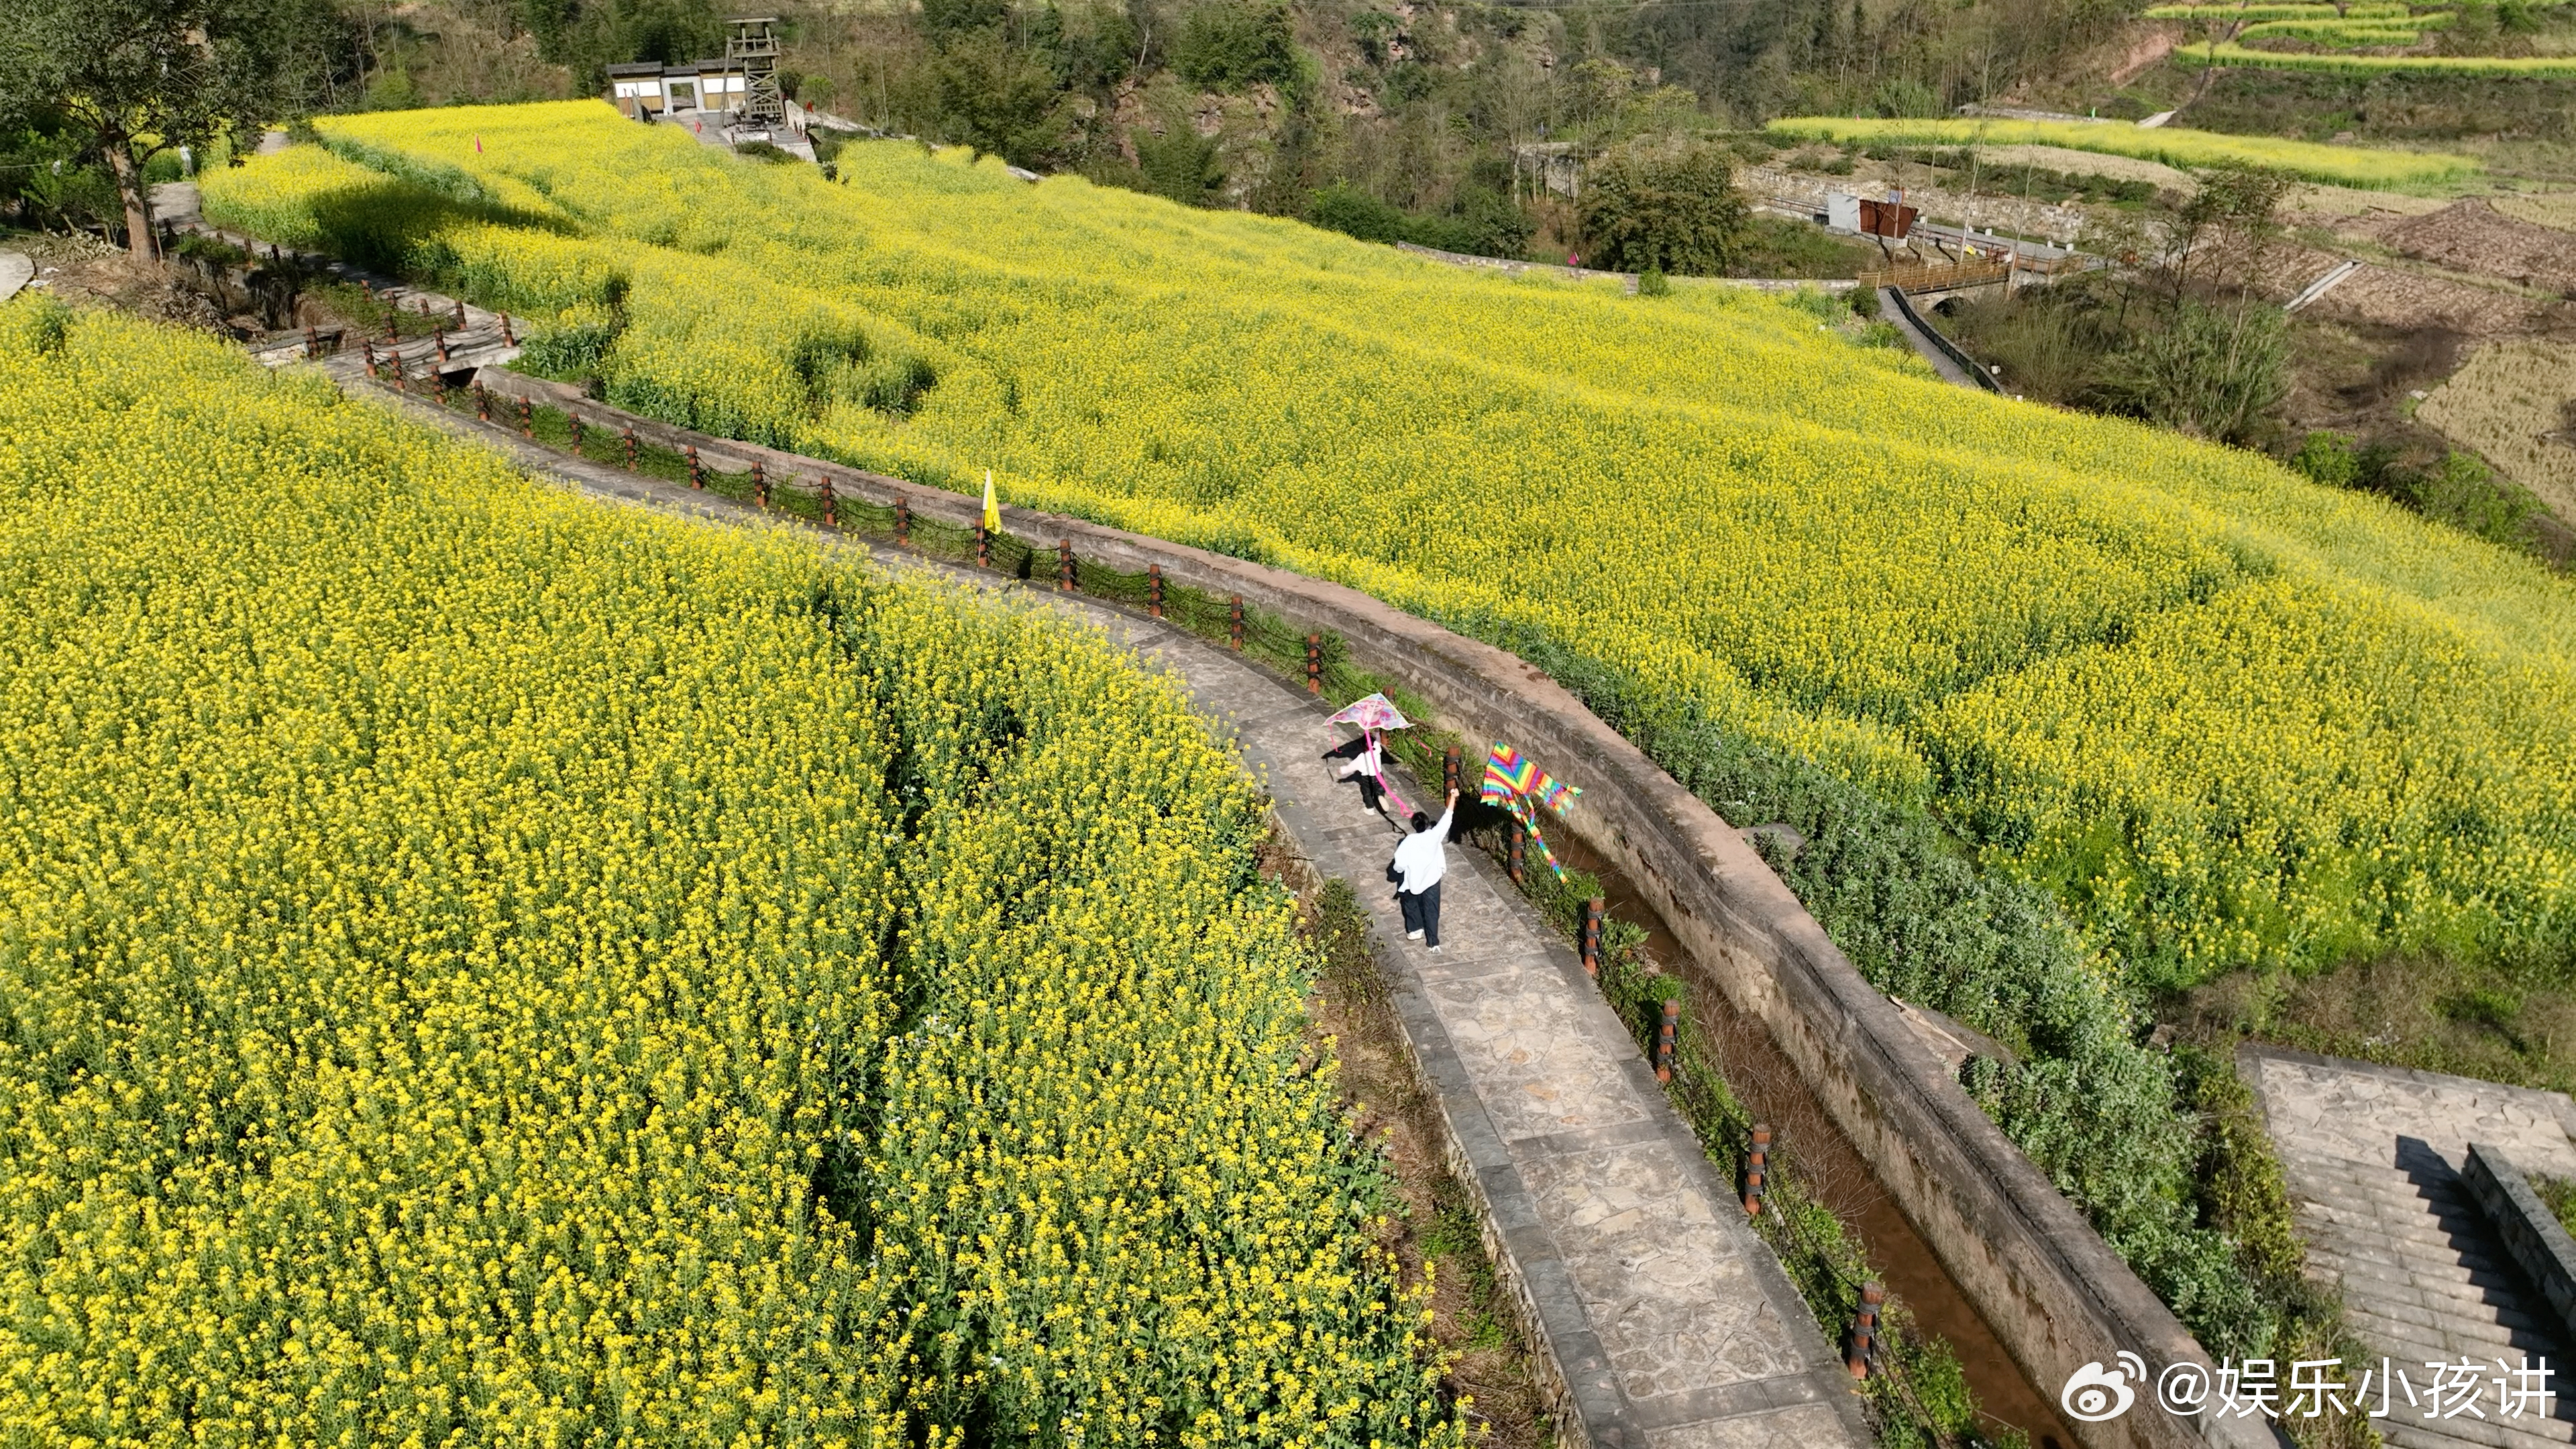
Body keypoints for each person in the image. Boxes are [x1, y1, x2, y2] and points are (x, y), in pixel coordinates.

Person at [1389, 788, 1459, 953]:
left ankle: (1415, 930)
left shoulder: (1408, 842)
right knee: (1432, 910)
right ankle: (1433, 942)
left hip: (1414, 881)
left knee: (1410, 903)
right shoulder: (1434, 836)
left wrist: (1398, 871)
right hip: (1433, 880)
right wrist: (1453, 797)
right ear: (1427, 824)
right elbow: (1447, 817)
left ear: (1414, 826)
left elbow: (1398, 864)